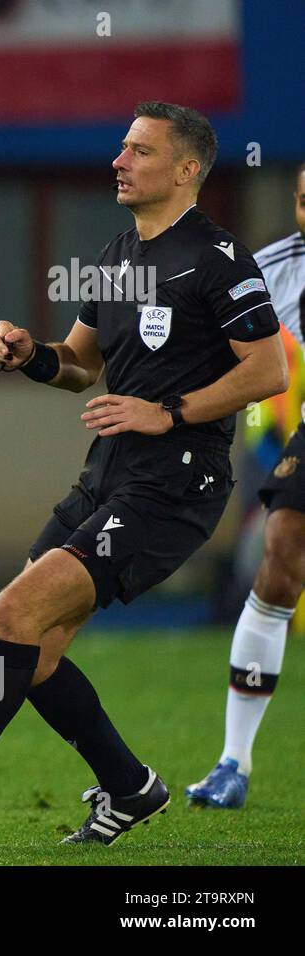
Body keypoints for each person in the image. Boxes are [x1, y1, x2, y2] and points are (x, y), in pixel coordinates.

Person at [0, 102, 288, 848]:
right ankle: (130, 787)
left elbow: (268, 369)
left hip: (174, 485)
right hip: (106, 477)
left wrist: (167, 412)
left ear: (185, 171)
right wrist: (29, 355)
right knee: (35, 648)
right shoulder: (116, 256)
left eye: (140, 151)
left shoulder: (220, 260)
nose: (119, 160)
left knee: (16, 613)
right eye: (121, 147)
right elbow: (81, 367)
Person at [187, 160, 305, 808]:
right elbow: (217, 336)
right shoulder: (277, 267)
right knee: (279, 551)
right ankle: (234, 761)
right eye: (304, 201)